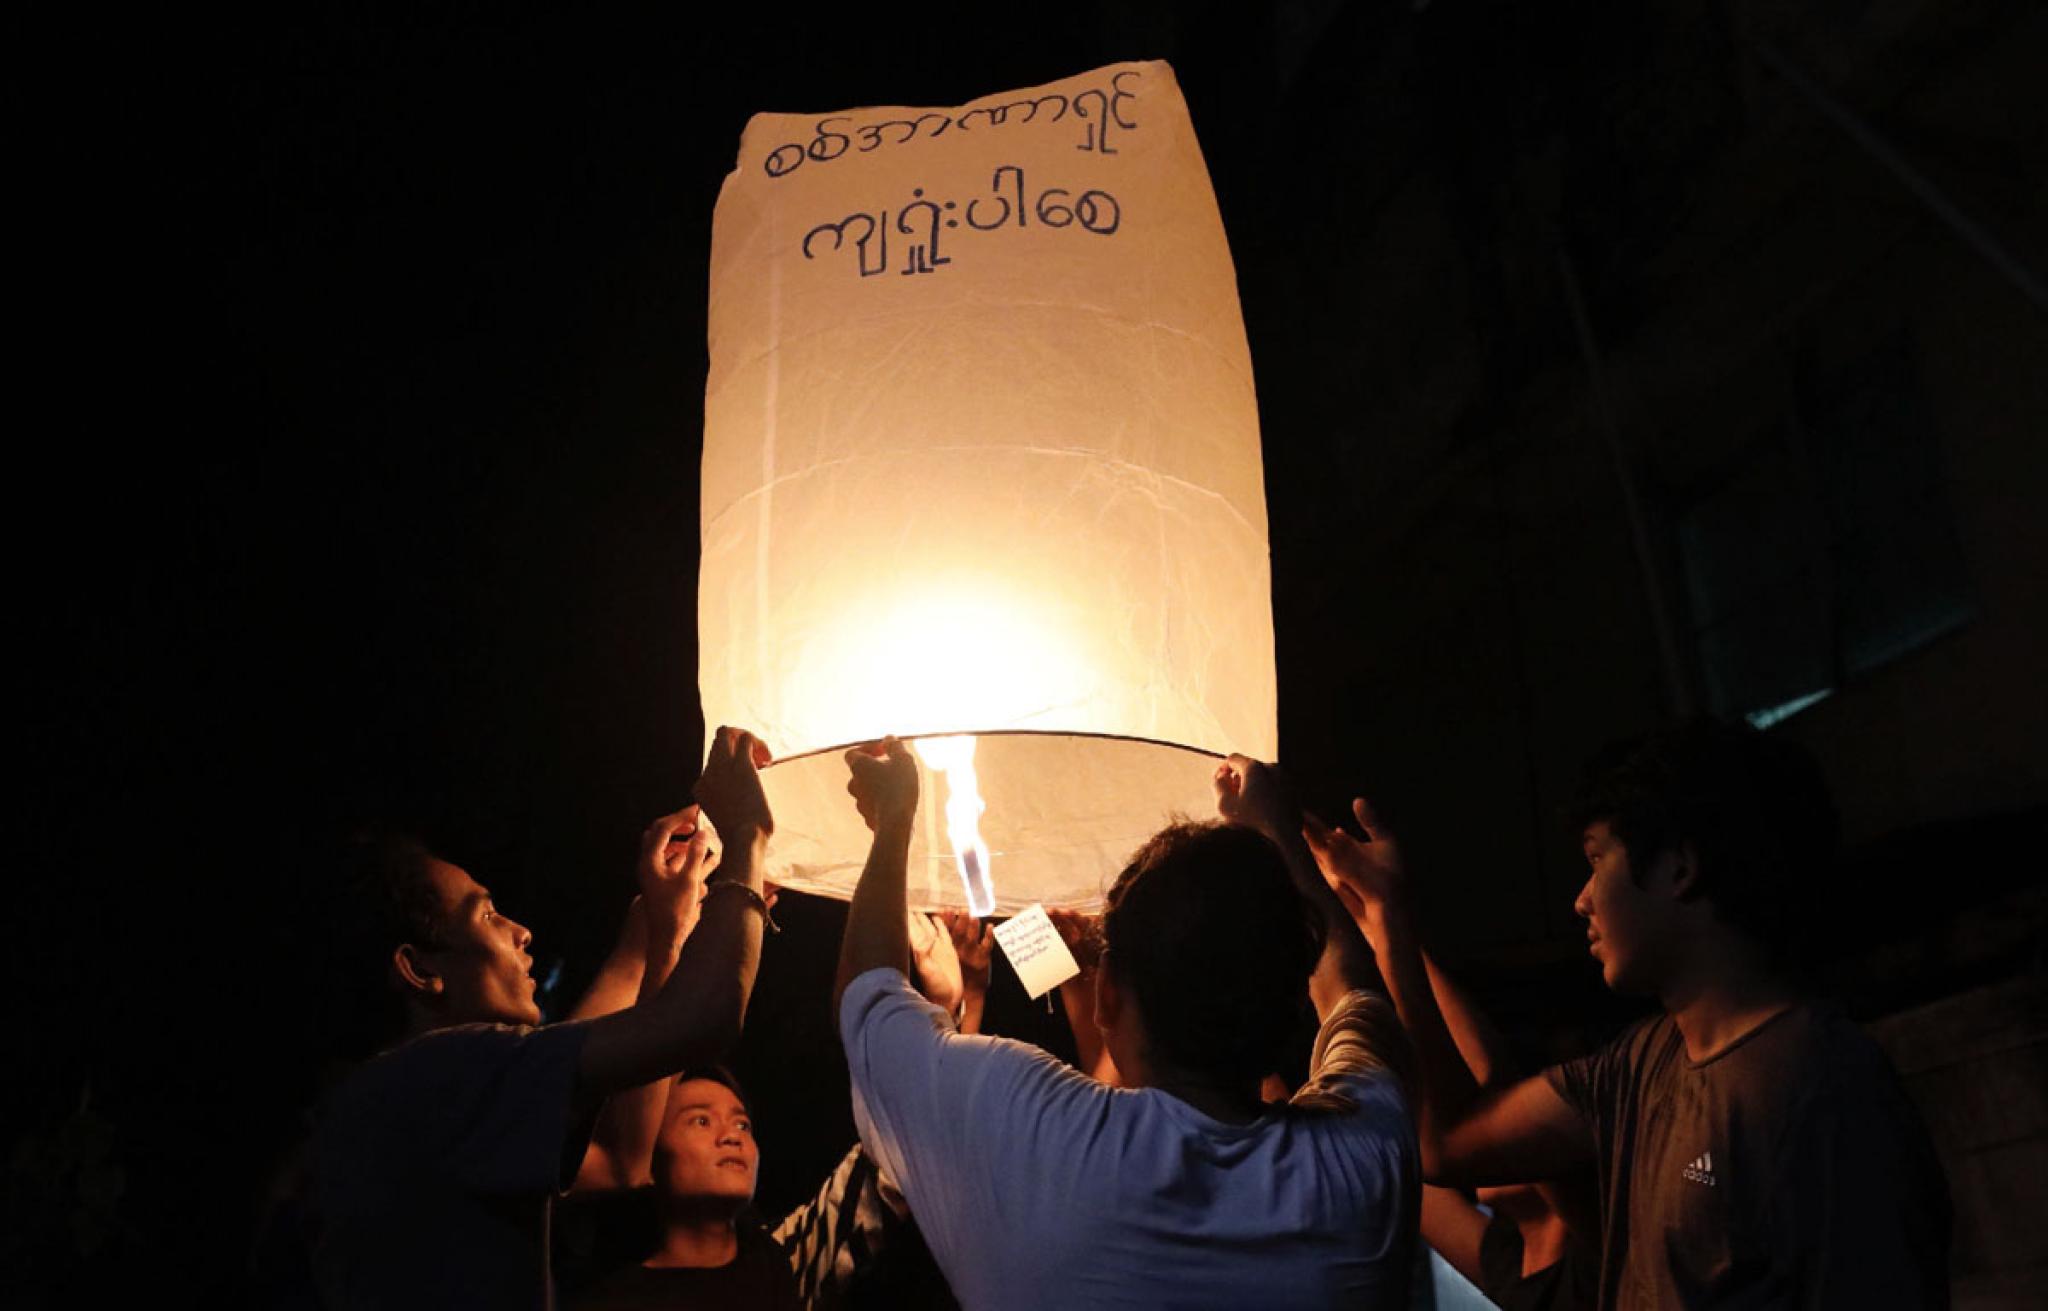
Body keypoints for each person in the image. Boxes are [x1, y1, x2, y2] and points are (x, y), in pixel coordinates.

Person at [1307, 719, 1951, 1309]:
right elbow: (1448, 1143)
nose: (1582, 900)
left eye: (1597, 859)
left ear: (1678, 867)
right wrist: (1383, 920)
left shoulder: (1824, 1090)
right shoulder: (1640, 1065)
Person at [833, 737, 1419, 1309]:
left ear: (1107, 995)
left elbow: (869, 1002)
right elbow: (1355, 994)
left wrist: (893, 819)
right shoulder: (1366, 1158)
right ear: (1291, 1003)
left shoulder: (1030, 1132)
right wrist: (1278, 834)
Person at [305, 726, 778, 1310]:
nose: (521, 932)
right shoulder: (438, 1074)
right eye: (487, 916)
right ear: (420, 969)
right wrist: (746, 836)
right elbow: (702, 1020)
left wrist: (656, 930)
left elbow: (624, 1158)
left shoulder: (403, 1100)